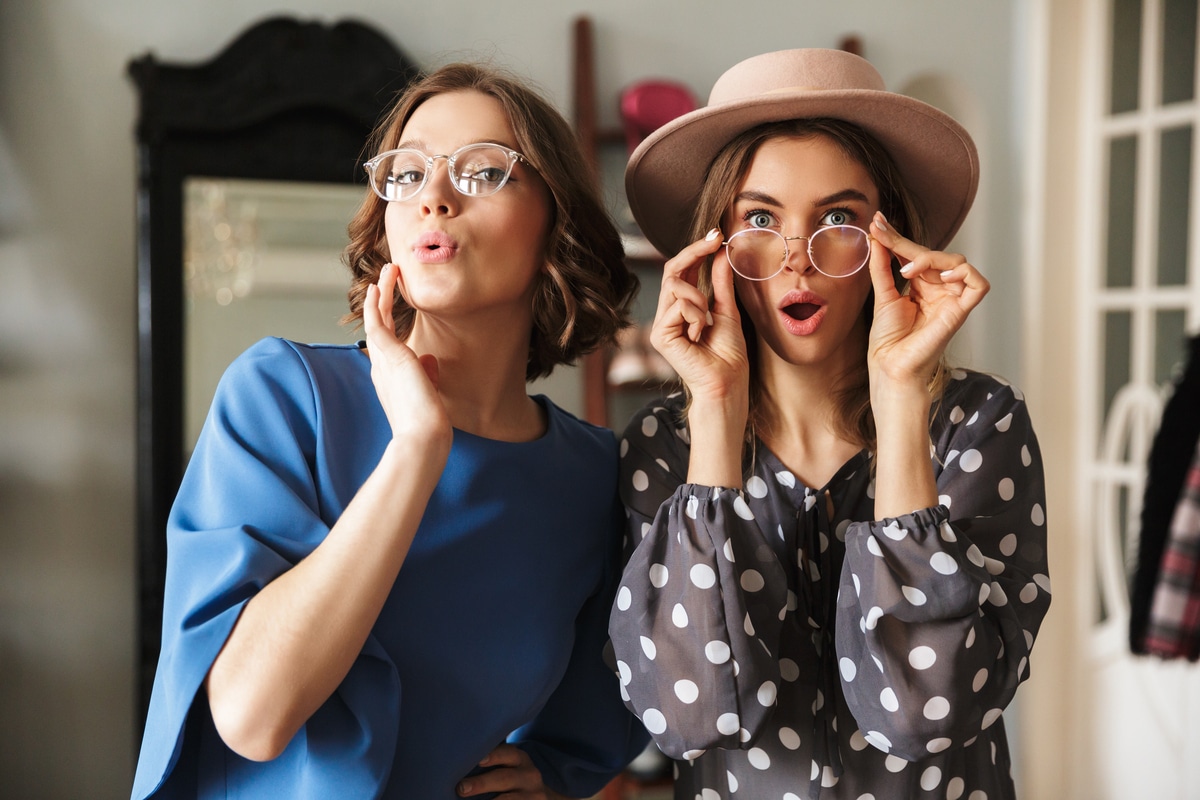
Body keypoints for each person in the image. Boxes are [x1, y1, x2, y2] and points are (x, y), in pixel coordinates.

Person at [132, 62, 650, 800]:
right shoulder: (285, 395)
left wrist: (555, 776)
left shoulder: (594, 478)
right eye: (405, 174)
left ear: (556, 219)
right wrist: (416, 448)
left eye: (481, 171)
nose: (434, 197)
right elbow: (252, 715)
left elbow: (603, 716)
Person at [608, 49, 1050, 799]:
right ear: (713, 247)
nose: (798, 261)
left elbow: (924, 715)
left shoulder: (978, 424)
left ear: (890, 241)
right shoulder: (664, 445)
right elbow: (686, 716)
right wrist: (715, 411)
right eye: (759, 219)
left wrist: (902, 398)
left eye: (838, 218)